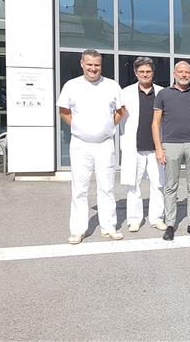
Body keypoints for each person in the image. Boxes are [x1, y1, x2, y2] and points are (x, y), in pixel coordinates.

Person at [57, 49, 125, 244]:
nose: (93, 68)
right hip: (80, 145)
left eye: (97, 65)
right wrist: (79, 127)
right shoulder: (72, 86)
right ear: (82, 64)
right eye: (89, 64)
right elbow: (64, 111)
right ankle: (78, 230)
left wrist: (110, 125)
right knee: (79, 189)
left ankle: (109, 227)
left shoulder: (111, 85)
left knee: (107, 187)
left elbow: (121, 110)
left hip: (105, 145)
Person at [152, 61, 190, 241]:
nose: (184, 75)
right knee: (170, 186)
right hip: (170, 145)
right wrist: (159, 149)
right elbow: (155, 123)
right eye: (181, 72)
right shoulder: (163, 94)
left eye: (187, 72)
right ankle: (170, 224)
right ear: (174, 74)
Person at [119, 56, 167, 233]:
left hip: (156, 148)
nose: (145, 74)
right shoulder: (125, 93)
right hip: (134, 146)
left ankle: (156, 218)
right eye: (141, 72)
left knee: (158, 184)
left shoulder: (162, 92)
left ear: (153, 73)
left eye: (148, 71)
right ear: (135, 73)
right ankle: (134, 219)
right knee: (133, 185)